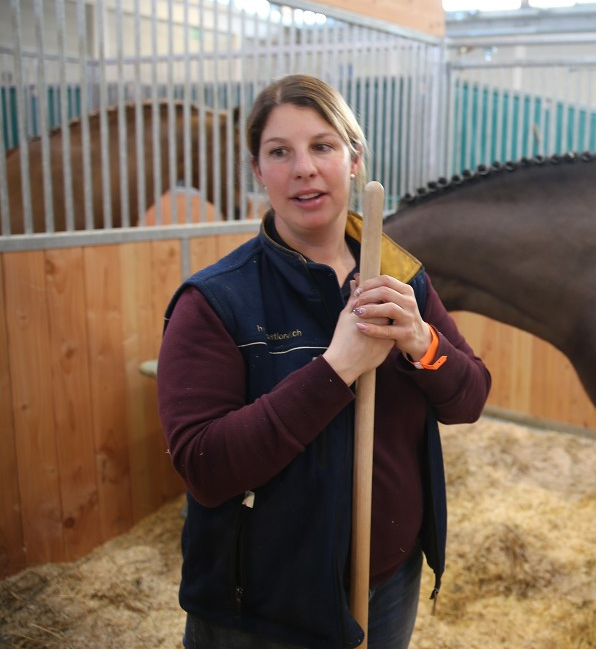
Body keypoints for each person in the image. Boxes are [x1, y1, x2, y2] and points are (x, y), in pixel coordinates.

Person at [156, 74, 491, 649]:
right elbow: (205, 467)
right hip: (264, 605)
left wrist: (420, 341)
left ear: (354, 159)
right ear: (258, 172)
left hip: (389, 579)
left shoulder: (399, 276)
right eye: (279, 152)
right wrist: (337, 368)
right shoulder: (216, 300)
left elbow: (470, 399)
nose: (303, 168)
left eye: (322, 146)